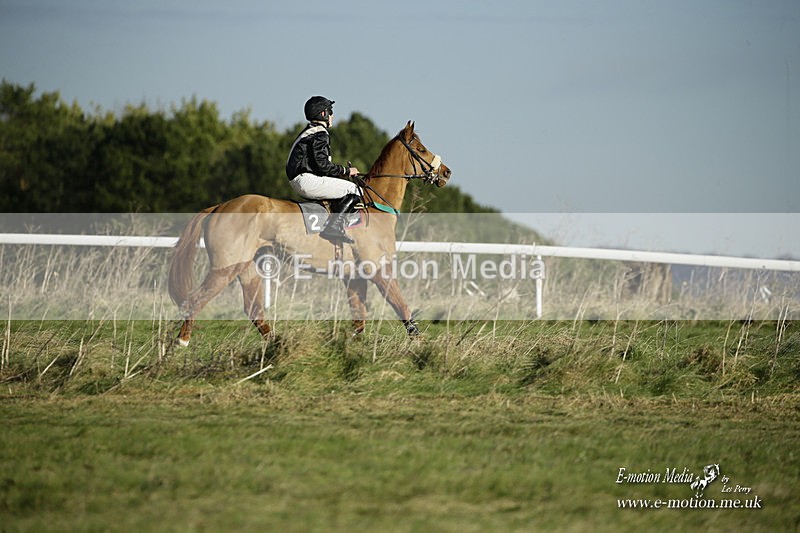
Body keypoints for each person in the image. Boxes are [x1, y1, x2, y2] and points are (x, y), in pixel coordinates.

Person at [286, 96, 361, 244]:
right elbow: (322, 164)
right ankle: (333, 228)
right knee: (355, 190)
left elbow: (319, 166)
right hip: (305, 180)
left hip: (301, 178)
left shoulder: (310, 131)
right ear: (323, 114)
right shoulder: (320, 133)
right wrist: (346, 171)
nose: (332, 115)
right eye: (330, 111)